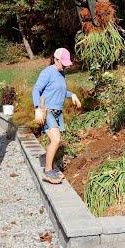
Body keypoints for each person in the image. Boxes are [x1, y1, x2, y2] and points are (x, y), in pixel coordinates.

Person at [32, 47, 82, 184]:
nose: (65, 65)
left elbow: (61, 91)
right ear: (55, 59)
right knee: (56, 139)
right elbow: (36, 89)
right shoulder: (47, 72)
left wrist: (73, 95)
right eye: (62, 62)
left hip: (57, 112)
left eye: (66, 63)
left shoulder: (62, 73)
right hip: (46, 110)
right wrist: (37, 108)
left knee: (54, 140)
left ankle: (50, 165)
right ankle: (47, 171)